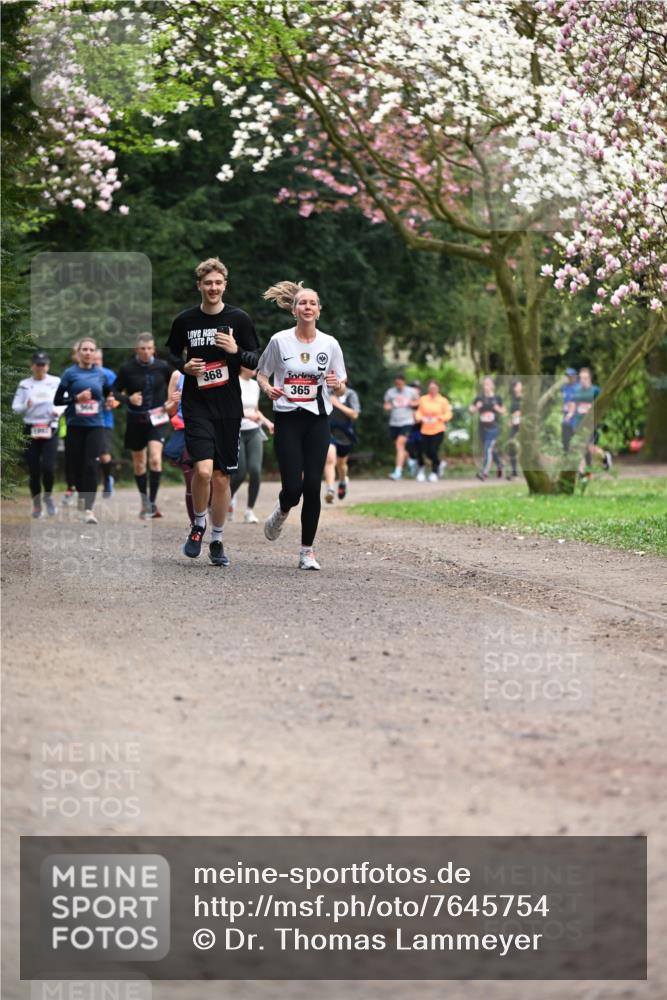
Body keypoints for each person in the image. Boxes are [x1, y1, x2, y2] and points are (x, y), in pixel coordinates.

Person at [166, 257, 260, 566]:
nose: (213, 288)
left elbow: (253, 360)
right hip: (196, 404)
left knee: (221, 479)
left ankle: (217, 540)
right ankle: (198, 525)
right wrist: (184, 366)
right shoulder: (185, 320)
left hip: (228, 406)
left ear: (225, 285)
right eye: (208, 283)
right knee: (203, 470)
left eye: (218, 283)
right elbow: (170, 353)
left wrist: (234, 351)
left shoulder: (239, 318)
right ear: (199, 286)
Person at [256, 280, 347, 570]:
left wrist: (338, 385)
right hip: (288, 418)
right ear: (294, 310)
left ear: (318, 311)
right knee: (293, 488)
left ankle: (307, 551)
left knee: (312, 485)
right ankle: (282, 511)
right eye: (302, 303)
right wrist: (267, 389)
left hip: (318, 418)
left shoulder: (330, 343)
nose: (307, 307)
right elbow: (262, 374)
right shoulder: (279, 341)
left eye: (312, 303)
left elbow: (341, 384)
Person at [53, 337, 115, 523]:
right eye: (85, 349)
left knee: (91, 465)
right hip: (74, 426)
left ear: (95, 353)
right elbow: (57, 401)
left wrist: (111, 401)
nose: (88, 353)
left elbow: (109, 396)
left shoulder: (101, 375)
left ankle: (88, 509)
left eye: (91, 350)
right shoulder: (69, 374)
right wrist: (76, 398)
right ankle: (80, 496)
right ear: (78, 353)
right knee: (75, 467)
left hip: (96, 425)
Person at [113, 334, 171, 518]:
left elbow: (175, 387)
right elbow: (113, 392)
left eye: (149, 348)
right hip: (135, 420)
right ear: (136, 350)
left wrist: (171, 403)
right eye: (142, 349)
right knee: (139, 464)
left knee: (155, 458)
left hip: (157, 419)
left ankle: (152, 504)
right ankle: (144, 501)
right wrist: (128, 398)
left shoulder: (162, 367)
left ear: (154, 349)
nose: (146, 352)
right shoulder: (127, 369)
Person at [12, 351, 64, 518]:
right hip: (31, 428)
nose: (40, 367)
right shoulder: (25, 384)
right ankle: (36, 505)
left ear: (47, 365)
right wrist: (26, 405)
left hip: (50, 428)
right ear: (32, 365)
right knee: (34, 470)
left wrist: (57, 411)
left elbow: (65, 402)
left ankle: (48, 497)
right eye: (37, 364)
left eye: (43, 364)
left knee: (48, 468)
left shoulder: (56, 382)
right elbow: (15, 407)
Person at [229, 367, 274, 523]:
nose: (256, 368)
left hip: (254, 431)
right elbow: (229, 409)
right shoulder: (233, 382)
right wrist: (246, 414)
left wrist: (268, 423)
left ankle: (249, 511)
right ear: (242, 366)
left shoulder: (255, 385)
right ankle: (225, 499)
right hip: (237, 431)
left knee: (255, 470)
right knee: (240, 472)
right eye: (252, 365)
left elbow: (256, 410)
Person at [567, 367, 612, 474]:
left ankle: (604, 457)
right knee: (579, 448)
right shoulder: (577, 392)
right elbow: (573, 405)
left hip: (591, 424)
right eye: (581, 378)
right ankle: (582, 472)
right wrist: (570, 414)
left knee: (590, 448)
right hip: (578, 424)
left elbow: (602, 405)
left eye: (585, 378)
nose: (583, 380)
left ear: (590, 379)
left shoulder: (595, 391)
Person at [323, 384, 360, 502]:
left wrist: (337, 404)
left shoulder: (350, 394)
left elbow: (354, 414)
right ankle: (330, 490)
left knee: (341, 465)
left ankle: (343, 480)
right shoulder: (325, 391)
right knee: (330, 459)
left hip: (345, 434)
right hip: (328, 431)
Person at [414, 380, 452, 482]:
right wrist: (420, 418)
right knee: (426, 452)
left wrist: (440, 418)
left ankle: (434, 472)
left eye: (434, 388)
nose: (432, 390)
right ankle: (439, 463)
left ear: (438, 389)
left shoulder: (443, 400)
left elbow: (448, 414)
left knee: (433, 450)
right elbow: (419, 412)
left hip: (438, 429)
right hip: (425, 429)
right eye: (430, 388)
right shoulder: (423, 399)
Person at [384, 373, 419, 480]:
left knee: (399, 445)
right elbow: (386, 405)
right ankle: (411, 461)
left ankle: (398, 472)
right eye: (396, 384)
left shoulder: (411, 391)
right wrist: (389, 406)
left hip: (407, 422)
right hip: (394, 423)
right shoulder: (390, 392)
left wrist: (411, 404)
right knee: (400, 447)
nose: (398, 385)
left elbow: (418, 402)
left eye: (400, 383)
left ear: (404, 382)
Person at [93, 348, 118, 498]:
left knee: (103, 454)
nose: (96, 362)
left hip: (105, 421)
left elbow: (119, 396)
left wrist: (112, 403)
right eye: (93, 360)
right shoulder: (83, 375)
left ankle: (108, 480)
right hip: (87, 419)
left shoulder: (109, 375)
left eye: (98, 360)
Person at [470, 376, 505, 480]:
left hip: (494, 428)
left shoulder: (497, 398)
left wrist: (497, 408)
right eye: (485, 384)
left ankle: (484, 473)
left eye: (488, 384)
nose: (486, 387)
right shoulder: (479, 398)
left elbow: (503, 411)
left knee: (487, 449)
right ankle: (500, 465)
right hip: (482, 428)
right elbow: (471, 410)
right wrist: (477, 407)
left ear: (492, 386)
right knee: (489, 449)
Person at [560, 367, 580, 453]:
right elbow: (564, 400)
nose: (568, 378)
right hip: (566, 418)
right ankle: (566, 455)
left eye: (570, 376)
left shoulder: (578, 388)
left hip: (575, 418)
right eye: (567, 376)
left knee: (575, 439)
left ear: (575, 377)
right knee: (565, 439)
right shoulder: (564, 387)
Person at [506, 379, 522, 479]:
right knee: (512, 447)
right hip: (514, 426)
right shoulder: (513, 400)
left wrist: (520, 413)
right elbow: (512, 413)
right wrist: (510, 420)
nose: (519, 387)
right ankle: (514, 471)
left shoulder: (525, 399)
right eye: (517, 385)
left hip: (524, 427)